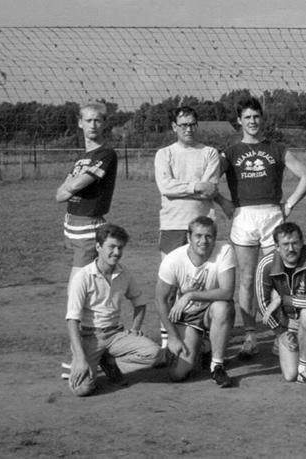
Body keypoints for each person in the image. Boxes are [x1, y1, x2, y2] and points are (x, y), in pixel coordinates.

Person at [218, 96, 306, 360]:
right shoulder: (231, 152)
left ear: (262, 118)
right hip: (244, 217)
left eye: (256, 116)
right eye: (247, 117)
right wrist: (224, 203)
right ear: (239, 120)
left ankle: (280, 332)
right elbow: (208, 181)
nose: (252, 121)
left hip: (272, 216)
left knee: (278, 277)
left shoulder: (277, 148)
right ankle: (250, 335)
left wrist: (289, 204)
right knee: (247, 279)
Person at [65, 224, 164, 396]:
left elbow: (140, 303)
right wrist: (80, 359)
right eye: (111, 247)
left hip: (116, 335)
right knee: (81, 389)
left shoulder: (124, 273)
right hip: (89, 337)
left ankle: (110, 363)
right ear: (98, 247)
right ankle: (97, 362)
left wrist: (135, 329)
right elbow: (72, 320)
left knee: (154, 354)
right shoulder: (82, 277)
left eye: (120, 247)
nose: (117, 252)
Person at [154, 106, 221, 348]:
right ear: (174, 126)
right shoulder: (164, 154)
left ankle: (202, 335)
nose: (188, 129)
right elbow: (165, 187)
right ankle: (168, 338)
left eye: (192, 124)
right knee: (171, 285)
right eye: (183, 125)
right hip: (172, 225)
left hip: (202, 226)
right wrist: (195, 187)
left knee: (203, 283)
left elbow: (210, 189)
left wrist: (183, 188)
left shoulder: (210, 153)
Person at [155, 216, 236, 388]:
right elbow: (160, 299)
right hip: (188, 317)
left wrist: (190, 295)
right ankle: (204, 347)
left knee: (222, 307)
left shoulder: (224, 250)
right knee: (177, 374)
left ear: (215, 237)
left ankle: (217, 365)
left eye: (208, 236)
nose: (203, 241)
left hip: (211, 312)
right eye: (198, 236)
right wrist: (172, 336)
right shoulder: (173, 259)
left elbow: (227, 292)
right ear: (188, 237)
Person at [255, 222, 306, 384]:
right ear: (276, 246)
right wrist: (280, 332)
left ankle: (304, 368)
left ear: (302, 242)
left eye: (295, 243)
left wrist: (283, 299)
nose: (291, 249)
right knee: (290, 375)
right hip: (287, 321)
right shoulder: (266, 264)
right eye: (285, 244)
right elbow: (262, 303)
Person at [56, 102, 118, 287]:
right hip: (72, 224)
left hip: (88, 225)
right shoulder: (82, 158)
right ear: (80, 122)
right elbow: (59, 195)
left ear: (104, 123)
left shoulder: (106, 154)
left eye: (97, 120)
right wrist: (71, 186)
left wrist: (71, 186)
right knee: (89, 281)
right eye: (88, 120)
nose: (93, 125)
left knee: (79, 283)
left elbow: (76, 184)